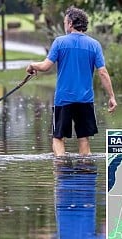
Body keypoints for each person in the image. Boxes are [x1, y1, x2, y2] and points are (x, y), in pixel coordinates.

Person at [26, 6, 117, 157]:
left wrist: (31, 66)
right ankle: (85, 170)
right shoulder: (94, 45)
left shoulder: (59, 42)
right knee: (83, 138)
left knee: (58, 137)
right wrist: (111, 96)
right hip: (85, 100)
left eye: (64, 22)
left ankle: (61, 171)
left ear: (70, 23)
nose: (64, 25)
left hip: (64, 99)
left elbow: (46, 66)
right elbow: (103, 72)